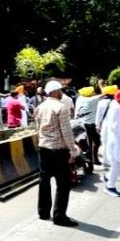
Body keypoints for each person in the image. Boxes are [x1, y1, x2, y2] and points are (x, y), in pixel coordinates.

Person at [34, 79, 79, 226]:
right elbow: (66, 132)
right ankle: (59, 216)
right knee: (63, 184)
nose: (62, 93)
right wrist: (72, 150)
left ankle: (43, 212)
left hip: (43, 148)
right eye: (61, 90)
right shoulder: (61, 107)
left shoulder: (40, 107)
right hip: (58, 150)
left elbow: (38, 129)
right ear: (56, 91)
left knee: (44, 181)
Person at [101, 89, 120, 197]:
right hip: (117, 140)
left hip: (119, 140)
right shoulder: (116, 108)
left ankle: (109, 177)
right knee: (118, 163)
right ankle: (110, 186)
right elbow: (114, 126)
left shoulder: (117, 106)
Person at [74, 87, 100, 167]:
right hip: (89, 125)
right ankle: (93, 160)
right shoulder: (92, 100)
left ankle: (88, 161)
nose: (93, 93)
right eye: (92, 92)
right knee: (95, 143)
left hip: (79, 124)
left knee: (84, 144)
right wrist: (100, 85)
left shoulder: (80, 98)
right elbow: (105, 94)